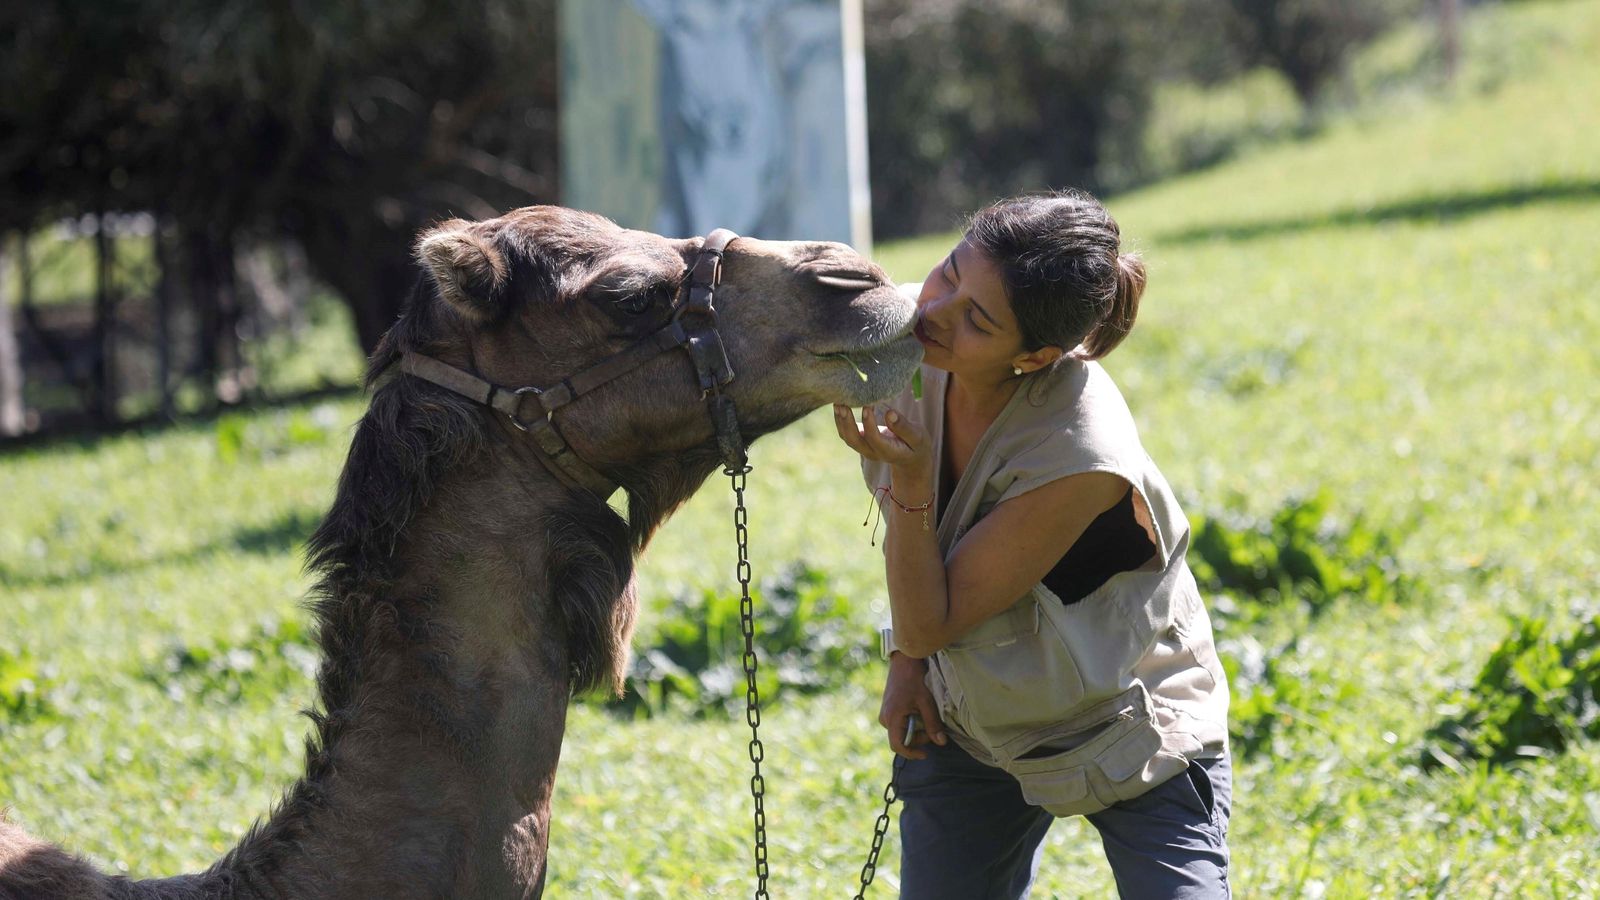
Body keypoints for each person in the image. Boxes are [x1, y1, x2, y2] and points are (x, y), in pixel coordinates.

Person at [833, 190, 1231, 898]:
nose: (934, 312)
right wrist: (906, 666)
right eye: (949, 272)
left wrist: (913, 481)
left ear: (1037, 355)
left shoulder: (1081, 453)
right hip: (975, 720)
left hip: (1131, 721)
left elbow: (934, 616)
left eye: (977, 320)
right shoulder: (911, 335)